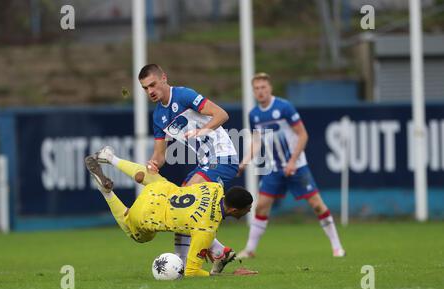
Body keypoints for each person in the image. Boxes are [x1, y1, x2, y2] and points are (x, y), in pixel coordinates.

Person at [85, 148, 255, 277]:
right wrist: (214, 275)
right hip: (147, 214)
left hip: (160, 190)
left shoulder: (215, 187)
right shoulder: (206, 229)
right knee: (137, 233)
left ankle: (110, 158)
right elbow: (191, 271)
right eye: (247, 209)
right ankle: (106, 192)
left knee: (149, 176)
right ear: (233, 210)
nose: (249, 211)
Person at [138, 64, 240, 273]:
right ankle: (199, 258)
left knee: (185, 203)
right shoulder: (158, 117)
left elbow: (221, 115)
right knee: (179, 205)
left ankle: (202, 257)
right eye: (145, 88)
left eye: (152, 85)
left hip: (223, 157)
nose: (150, 91)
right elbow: (160, 155)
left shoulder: (183, 95)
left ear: (164, 78)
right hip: (205, 163)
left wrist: (202, 131)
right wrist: (152, 164)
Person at [236, 73, 346, 259]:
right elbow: (256, 141)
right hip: (274, 168)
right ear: (253, 91)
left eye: (263, 87)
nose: (260, 91)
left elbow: (303, 135)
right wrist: (245, 161)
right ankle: (250, 249)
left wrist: (293, 161)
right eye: (257, 88)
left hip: (297, 166)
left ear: (270, 88)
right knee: (261, 206)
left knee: (317, 205)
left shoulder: (284, 107)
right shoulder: (254, 114)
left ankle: (337, 247)